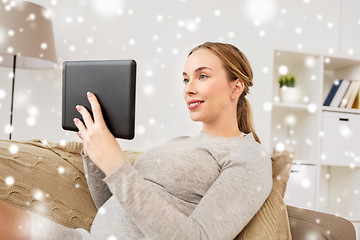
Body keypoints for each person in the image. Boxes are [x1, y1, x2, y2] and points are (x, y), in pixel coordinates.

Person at [0, 42, 272, 240]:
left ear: (236, 86)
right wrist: (95, 149)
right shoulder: (176, 143)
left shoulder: (249, 156)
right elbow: (112, 203)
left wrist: (116, 163)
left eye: (202, 76)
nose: (188, 88)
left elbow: (198, 237)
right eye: (186, 78)